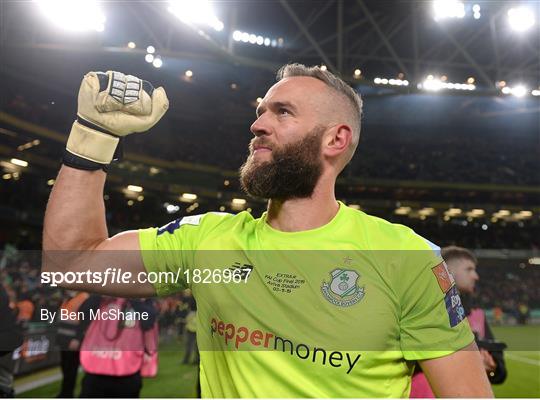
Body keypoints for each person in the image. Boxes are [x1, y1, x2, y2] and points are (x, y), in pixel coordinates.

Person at [42, 66, 493, 397]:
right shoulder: (208, 239)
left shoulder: (404, 256)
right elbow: (72, 261)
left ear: (335, 139)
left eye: (282, 112)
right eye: (260, 112)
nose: (257, 125)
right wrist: (92, 137)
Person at [410, 246, 507, 397]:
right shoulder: (420, 308)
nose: (476, 276)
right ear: (447, 270)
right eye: (469, 269)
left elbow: (499, 368)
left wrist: (491, 367)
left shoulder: (477, 313)